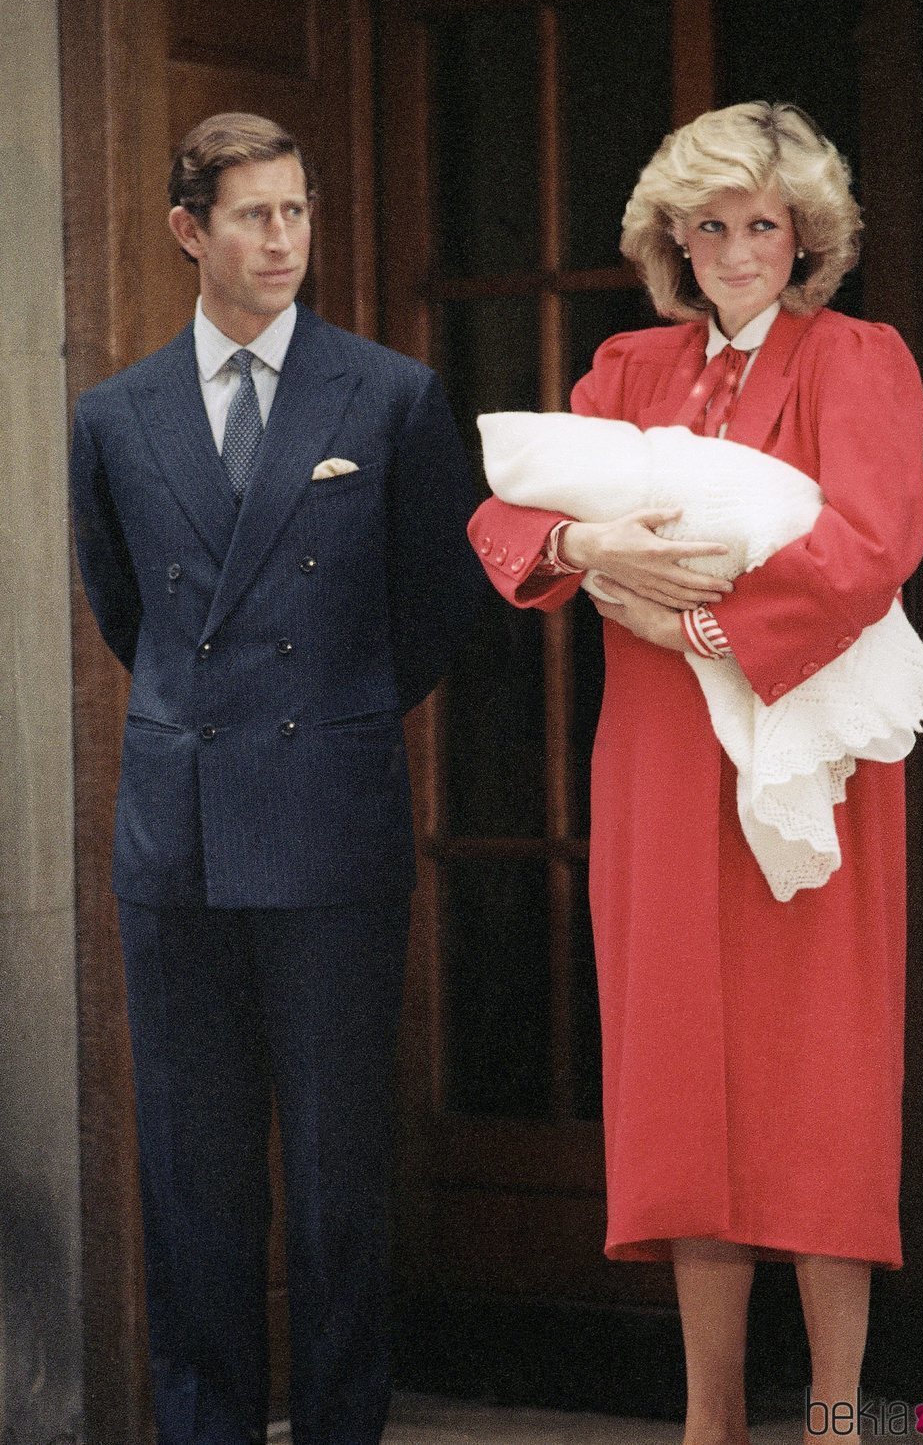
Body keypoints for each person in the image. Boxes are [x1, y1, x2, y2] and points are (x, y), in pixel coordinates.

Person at [468, 102, 923, 1444]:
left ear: (807, 238)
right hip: (664, 758)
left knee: (822, 1078)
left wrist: (703, 621)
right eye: (712, 226)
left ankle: (839, 1415)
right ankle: (707, 1416)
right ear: (675, 237)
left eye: (763, 226)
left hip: (809, 748)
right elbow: (507, 517)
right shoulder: (629, 366)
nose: (737, 253)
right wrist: (591, 543)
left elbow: (875, 543)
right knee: (683, 1074)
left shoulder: (859, 356)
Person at [71, 111, 485, 1445]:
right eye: (254, 215)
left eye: (298, 211)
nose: (283, 240)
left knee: (335, 1181)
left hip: (331, 826)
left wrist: (334, 711)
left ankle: (343, 1425)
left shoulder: (393, 396)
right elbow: (125, 610)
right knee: (192, 1180)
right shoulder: (115, 416)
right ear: (190, 231)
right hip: (177, 842)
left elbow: (436, 611)